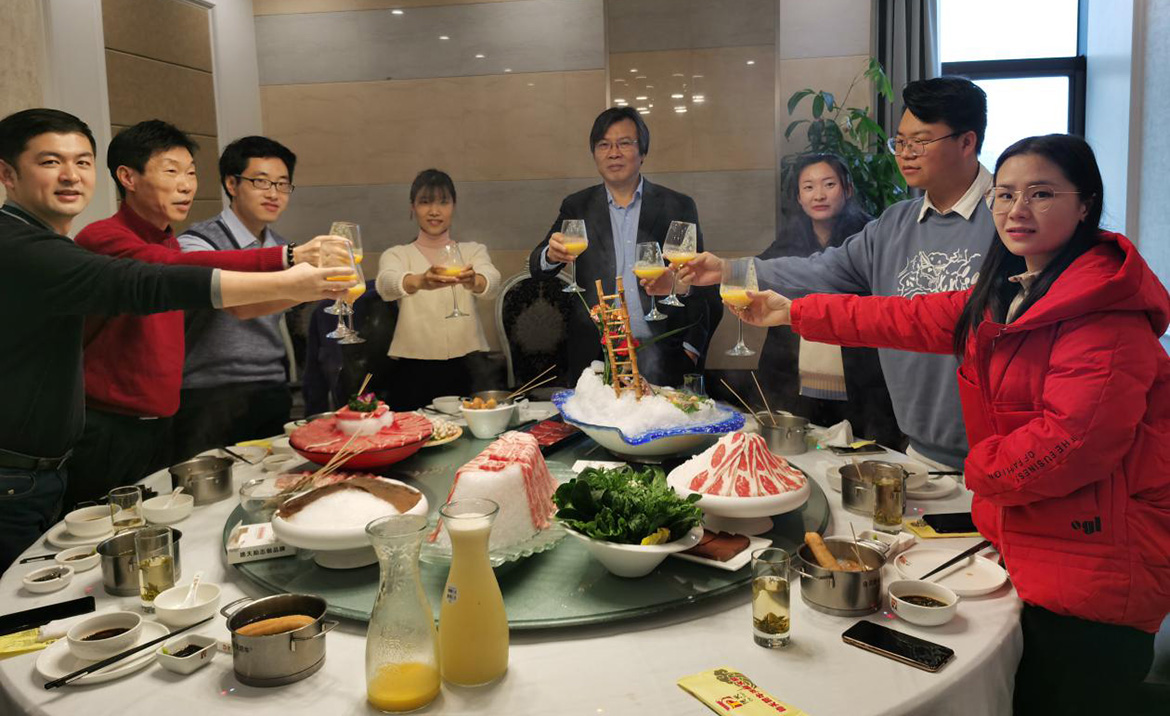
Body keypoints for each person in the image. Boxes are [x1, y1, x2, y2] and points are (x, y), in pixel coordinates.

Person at [736, 134, 1170, 714]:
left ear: (1086, 204)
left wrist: (978, 470)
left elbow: (1074, 442)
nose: (1017, 210)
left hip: (1097, 573)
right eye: (1006, 195)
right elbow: (905, 317)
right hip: (1038, 547)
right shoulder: (1015, 291)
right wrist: (793, 311)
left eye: (1041, 194)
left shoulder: (1102, 309)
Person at [0, 108, 351, 569]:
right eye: (51, 162)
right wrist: (286, 263)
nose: (186, 185)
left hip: (145, 425)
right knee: (84, 564)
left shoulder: (147, 241)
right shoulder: (91, 240)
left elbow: (215, 295)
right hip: (98, 434)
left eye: (82, 162)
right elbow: (158, 276)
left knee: (144, 545)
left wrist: (305, 286)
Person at [677, 77, 991, 470]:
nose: (906, 154)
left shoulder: (1010, 221)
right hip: (918, 449)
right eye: (900, 142)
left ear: (966, 142)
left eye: (921, 142)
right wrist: (730, 268)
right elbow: (821, 269)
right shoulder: (895, 224)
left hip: (998, 452)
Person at [66, 120, 342, 508]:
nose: (186, 186)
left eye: (191, 173)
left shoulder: (168, 242)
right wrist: (289, 258)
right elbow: (183, 272)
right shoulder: (105, 237)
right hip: (115, 424)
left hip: (161, 420)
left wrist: (314, 288)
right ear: (128, 177)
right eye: (171, 171)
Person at [528, 106, 717, 387]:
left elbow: (701, 285)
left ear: (643, 152)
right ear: (594, 154)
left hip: (664, 352)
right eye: (603, 145)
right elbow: (537, 266)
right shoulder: (578, 206)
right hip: (596, 357)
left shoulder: (678, 206)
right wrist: (551, 255)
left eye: (624, 143)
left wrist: (691, 349)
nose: (613, 153)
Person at [170, 136, 303, 461]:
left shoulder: (282, 246)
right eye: (261, 182)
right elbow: (239, 304)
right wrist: (304, 285)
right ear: (232, 184)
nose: (273, 194)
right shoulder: (196, 242)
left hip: (272, 386)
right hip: (209, 392)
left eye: (282, 184)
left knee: (272, 483)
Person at [757, 153, 901, 447]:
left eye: (829, 184)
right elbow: (762, 278)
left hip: (861, 373)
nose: (819, 195)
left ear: (847, 189)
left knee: (863, 448)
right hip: (795, 374)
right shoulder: (788, 239)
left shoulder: (870, 236)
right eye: (808, 187)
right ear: (799, 197)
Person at [374, 169, 501, 410]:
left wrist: (474, 281)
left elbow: (492, 283)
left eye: (443, 202)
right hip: (412, 370)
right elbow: (386, 285)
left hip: (468, 368)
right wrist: (420, 281)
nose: (434, 211)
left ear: (454, 206)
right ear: (412, 207)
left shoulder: (472, 251)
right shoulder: (398, 254)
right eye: (425, 202)